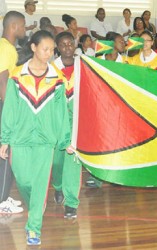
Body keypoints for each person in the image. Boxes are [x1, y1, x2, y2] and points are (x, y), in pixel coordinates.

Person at [0, 30, 72, 246]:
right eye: (46, 49)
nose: (50, 53)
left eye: (52, 50)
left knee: (40, 183)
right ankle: (36, 205)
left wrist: (65, 140)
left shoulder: (58, 79)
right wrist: (5, 138)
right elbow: (10, 109)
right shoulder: (16, 76)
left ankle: (33, 228)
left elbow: (62, 111)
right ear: (33, 47)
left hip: (45, 140)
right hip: (20, 138)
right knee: (23, 181)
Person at [52, 31, 82, 219]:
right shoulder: (50, 69)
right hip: (57, 122)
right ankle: (58, 186)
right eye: (63, 45)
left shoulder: (84, 65)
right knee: (57, 161)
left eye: (70, 44)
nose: (68, 48)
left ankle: (71, 202)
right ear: (58, 47)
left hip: (77, 122)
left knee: (73, 161)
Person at [0, 10, 26, 214]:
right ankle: (1, 200)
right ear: (14, 26)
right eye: (23, 26)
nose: (25, 29)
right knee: (5, 153)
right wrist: (10, 111)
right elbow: (2, 80)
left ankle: (3, 195)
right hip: (3, 105)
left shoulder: (6, 48)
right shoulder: (5, 48)